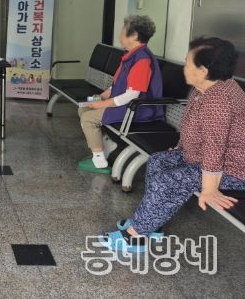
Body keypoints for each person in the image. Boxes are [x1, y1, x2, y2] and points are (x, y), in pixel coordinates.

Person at [100, 37, 245, 252]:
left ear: (203, 71)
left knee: (169, 180)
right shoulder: (207, 86)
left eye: (187, 63)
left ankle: (135, 237)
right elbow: (192, 124)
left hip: (233, 170)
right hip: (201, 157)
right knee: (158, 161)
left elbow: (215, 147)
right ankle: (150, 223)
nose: (184, 67)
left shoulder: (219, 101)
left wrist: (210, 188)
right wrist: (179, 149)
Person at [78, 15, 164, 170]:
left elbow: (132, 95)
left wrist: (102, 104)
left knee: (88, 118)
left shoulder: (142, 60)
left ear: (134, 35)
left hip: (138, 110)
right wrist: (102, 96)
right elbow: (118, 84)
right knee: (84, 107)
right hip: (124, 104)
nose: (120, 36)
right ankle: (107, 145)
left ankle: (99, 161)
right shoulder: (131, 56)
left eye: (123, 31)